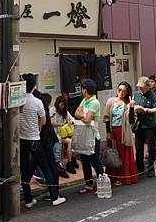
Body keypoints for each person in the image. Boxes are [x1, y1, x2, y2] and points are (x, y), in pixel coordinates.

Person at [18, 74, 65, 207]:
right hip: (34, 139)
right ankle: (55, 197)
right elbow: (44, 121)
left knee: (25, 170)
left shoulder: (18, 101)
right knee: (46, 168)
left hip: (22, 139)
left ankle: (28, 200)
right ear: (34, 86)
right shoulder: (37, 102)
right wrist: (37, 128)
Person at [102, 82, 138, 186]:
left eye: (124, 91)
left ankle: (123, 178)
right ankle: (114, 177)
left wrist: (131, 108)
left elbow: (132, 121)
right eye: (119, 90)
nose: (121, 92)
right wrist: (108, 132)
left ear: (127, 92)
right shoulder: (111, 101)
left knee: (123, 154)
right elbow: (106, 118)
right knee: (113, 153)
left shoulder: (128, 103)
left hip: (124, 131)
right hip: (113, 130)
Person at [74, 78, 104, 194]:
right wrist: (84, 115)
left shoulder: (94, 102)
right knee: (85, 161)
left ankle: (102, 183)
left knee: (95, 161)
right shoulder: (84, 100)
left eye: (82, 88)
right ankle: (89, 184)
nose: (81, 90)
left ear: (85, 90)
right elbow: (76, 113)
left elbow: (86, 119)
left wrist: (83, 115)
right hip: (84, 136)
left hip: (93, 136)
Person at [132, 77, 156, 178]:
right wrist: (133, 108)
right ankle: (140, 169)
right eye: (139, 87)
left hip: (150, 125)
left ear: (148, 86)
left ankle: (151, 168)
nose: (141, 89)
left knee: (151, 147)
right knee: (138, 148)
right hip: (139, 125)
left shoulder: (153, 96)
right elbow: (132, 107)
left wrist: (145, 110)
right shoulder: (136, 95)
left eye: (143, 87)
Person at [50, 95, 78, 174]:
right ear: (57, 103)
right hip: (55, 134)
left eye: (64, 105)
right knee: (64, 142)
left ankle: (71, 161)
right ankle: (60, 162)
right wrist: (61, 124)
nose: (62, 107)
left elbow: (72, 119)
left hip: (64, 134)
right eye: (61, 104)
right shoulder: (53, 110)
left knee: (72, 141)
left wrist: (71, 122)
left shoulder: (65, 112)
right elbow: (50, 123)